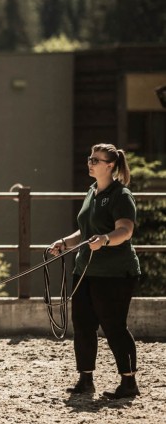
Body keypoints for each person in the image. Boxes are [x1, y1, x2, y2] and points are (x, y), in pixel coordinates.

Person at [49, 143, 139, 399]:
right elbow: (87, 231)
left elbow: (125, 231)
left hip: (115, 273)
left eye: (95, 160)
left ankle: (129, 382)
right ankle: (85, 379)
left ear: (110, 165)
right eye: (90, 158)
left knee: (114, 326)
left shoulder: (121, 195)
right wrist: (65, 243)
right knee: (83, 324)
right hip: (85, 270)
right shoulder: (92, 191)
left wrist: (106, 240)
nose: (90, 163)